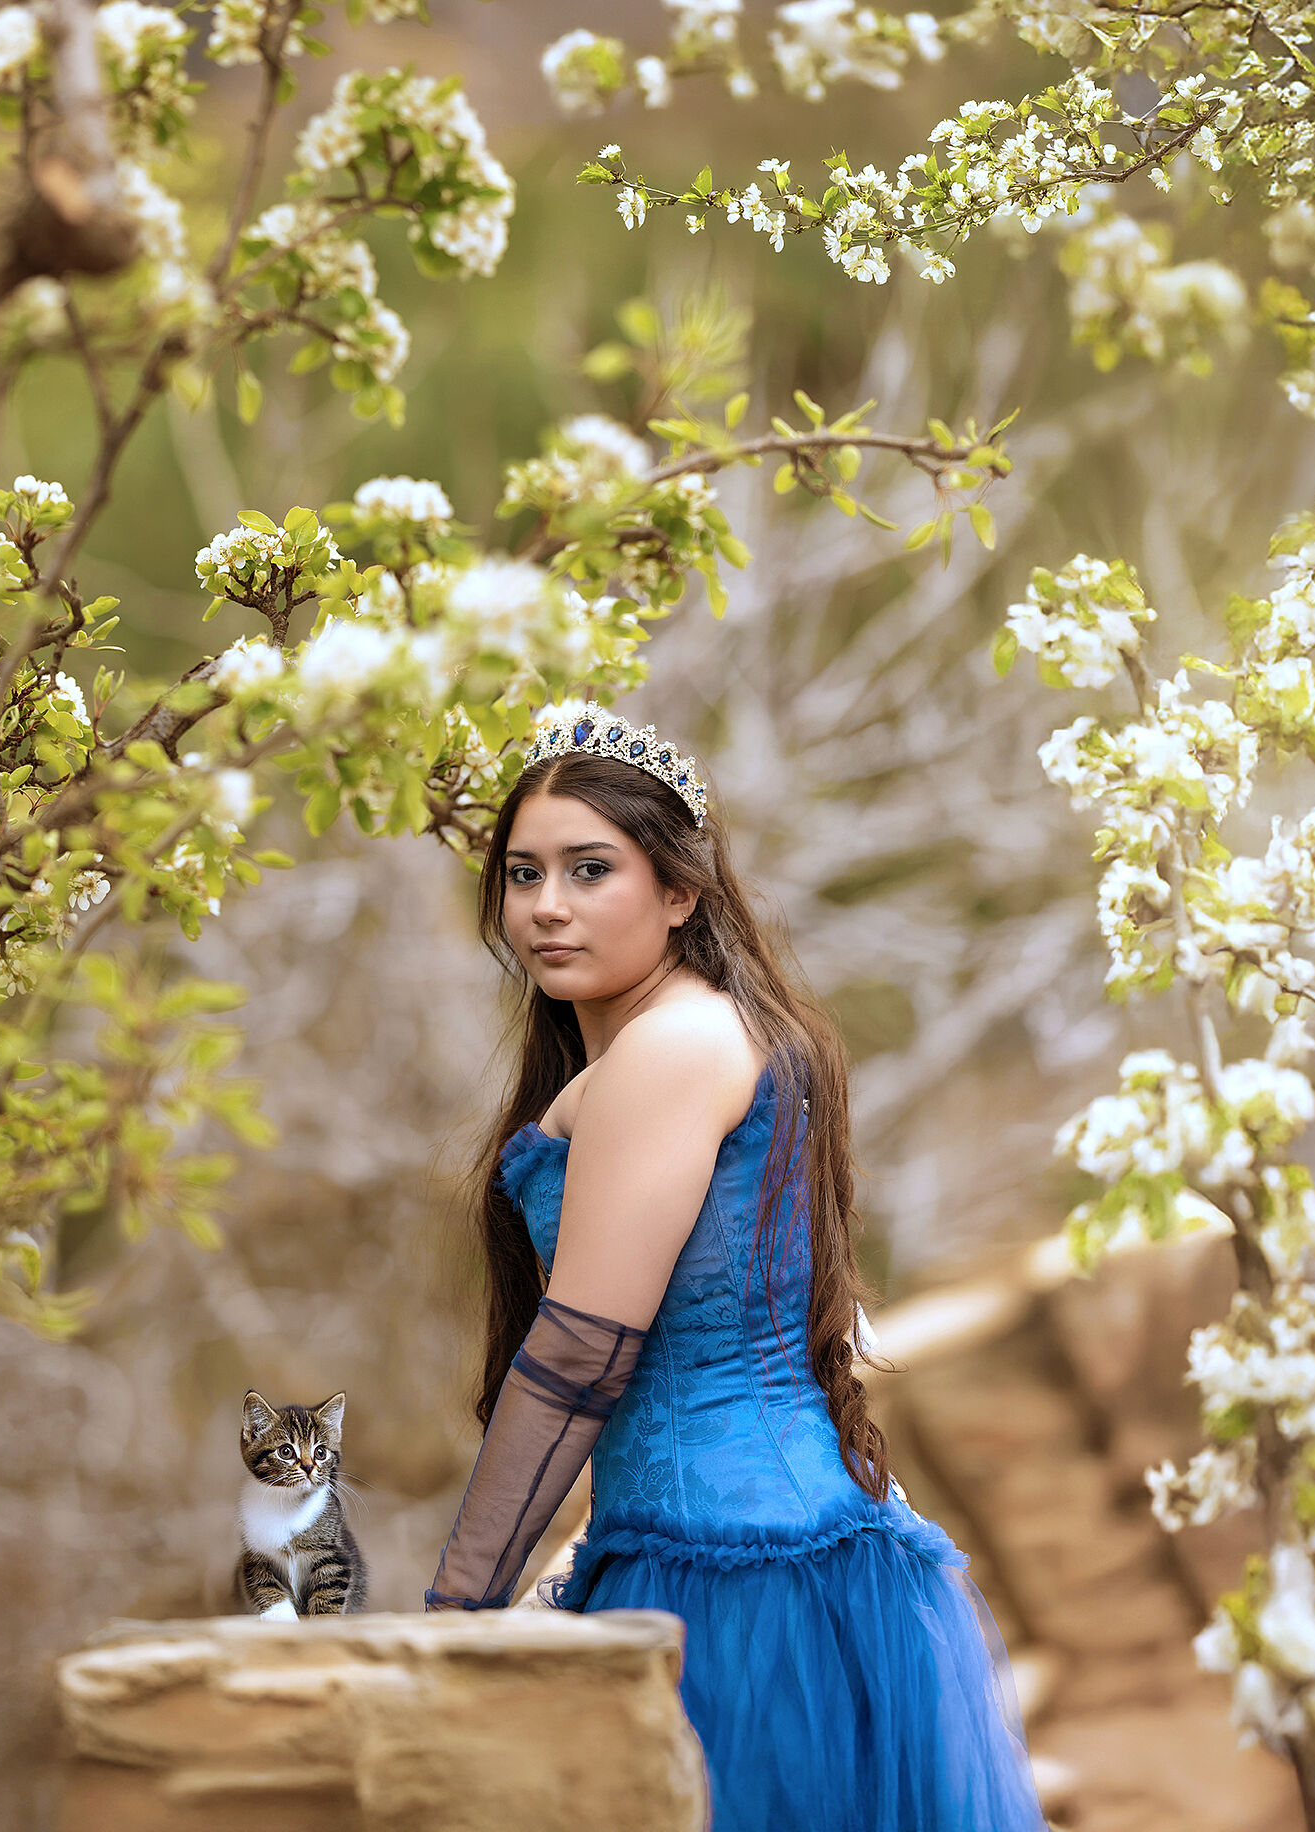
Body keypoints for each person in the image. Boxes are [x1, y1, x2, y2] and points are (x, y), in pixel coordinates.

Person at [425, 704, 1047, 1832]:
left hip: (729, 1582)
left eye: (588, 868)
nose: (546, 904)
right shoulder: (706, 1030)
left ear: (680, 889)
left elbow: (578, 1357)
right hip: (757, 1551)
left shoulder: (670, 1045)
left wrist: (450, 1612)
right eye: (523, 873)